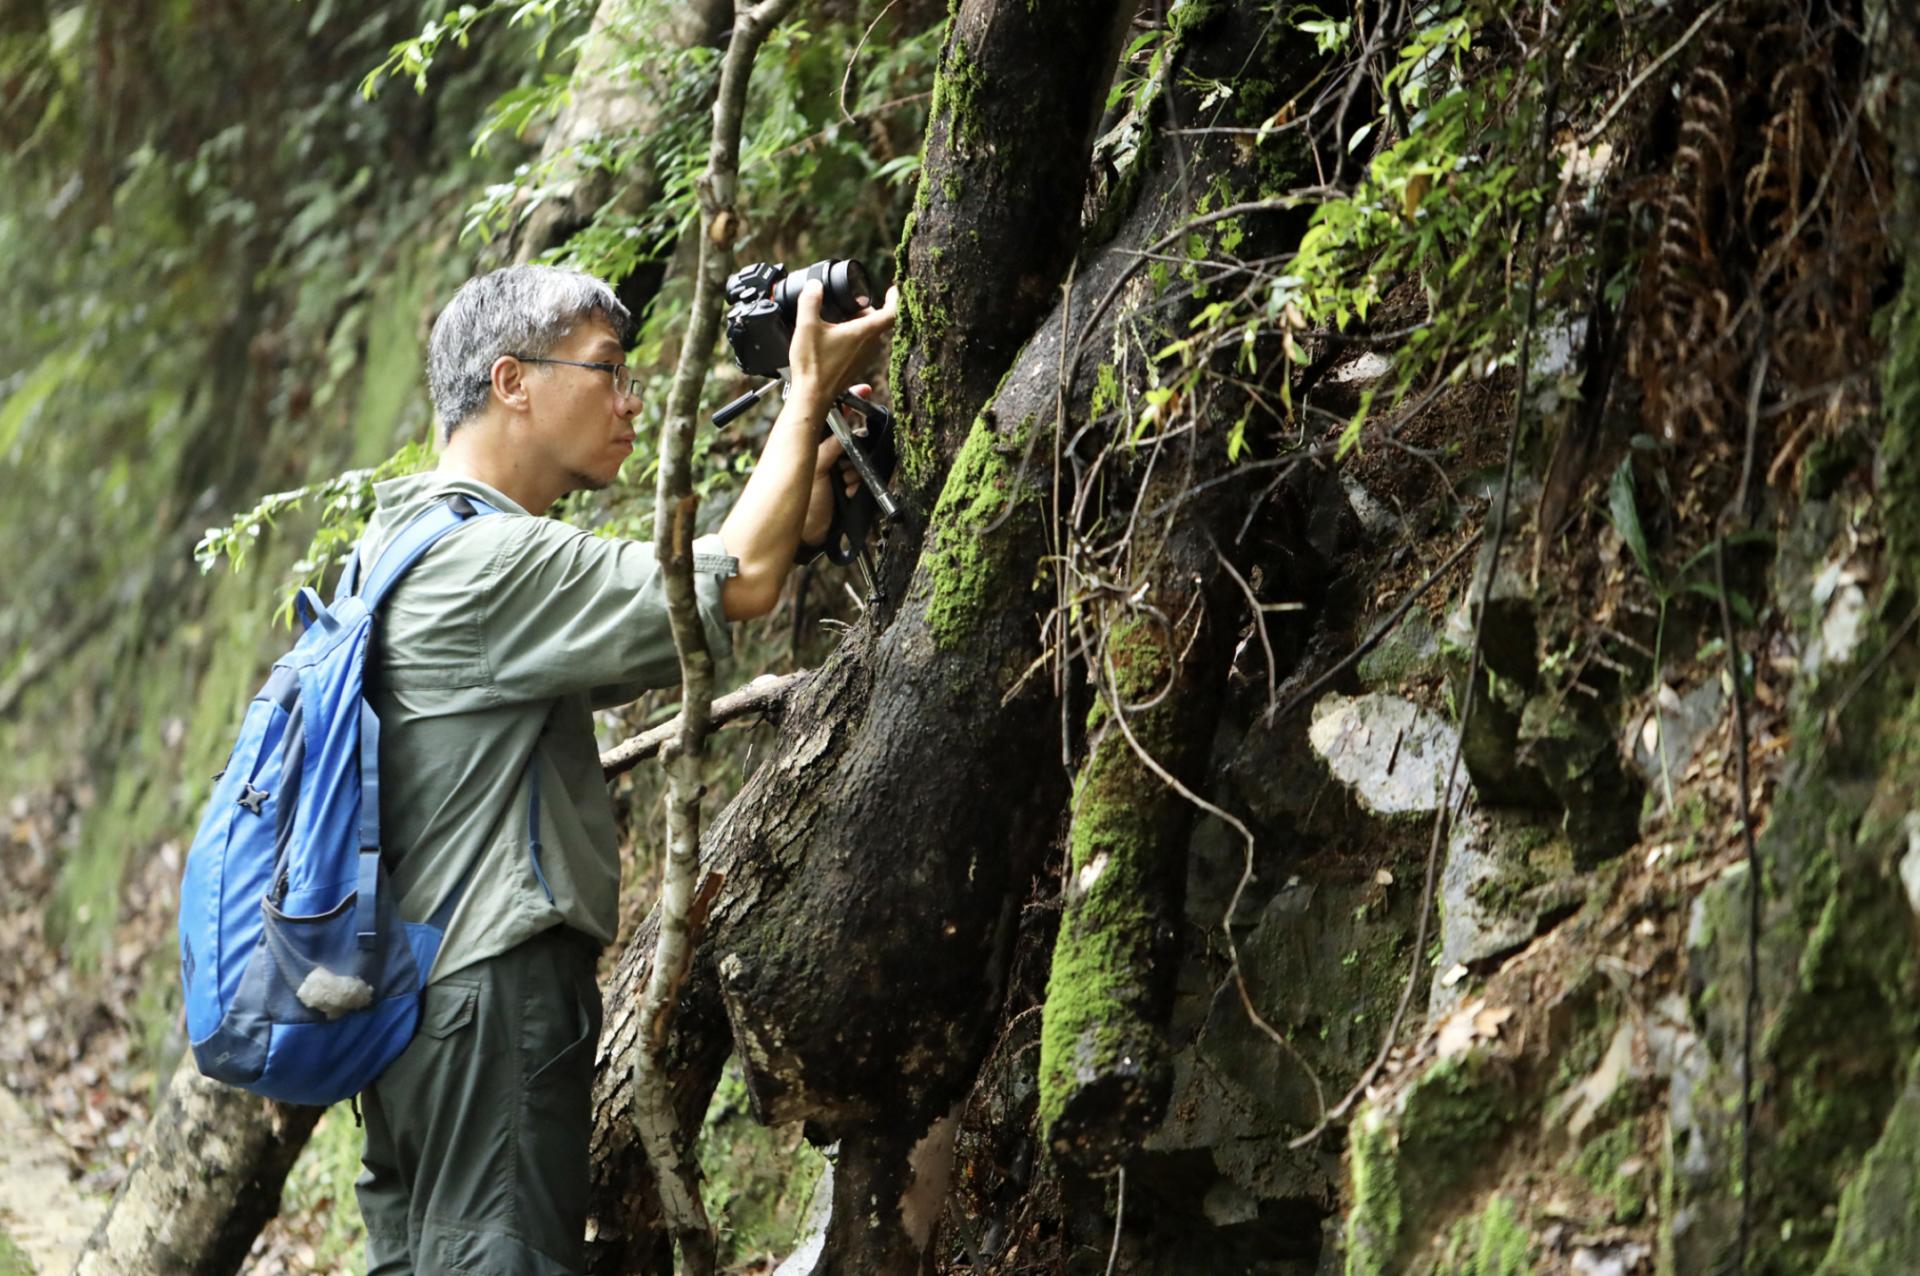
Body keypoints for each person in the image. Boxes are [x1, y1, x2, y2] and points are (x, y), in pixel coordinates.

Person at [351, 263, 897, 1275]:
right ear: (512, 382)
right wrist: (807, 391)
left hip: (405, 1000)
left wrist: (797, 476)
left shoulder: (401, 542)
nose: (629, 399)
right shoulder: (486, 563)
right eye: (606, 370)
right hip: (487, 988)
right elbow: (721, 584)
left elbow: (743, 566)